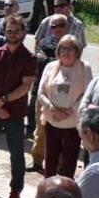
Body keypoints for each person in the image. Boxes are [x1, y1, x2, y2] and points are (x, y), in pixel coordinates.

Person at [0, 15, 36, 198]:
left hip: (15, 113)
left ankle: (15, 189)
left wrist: (3, 102)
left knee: (17, 153)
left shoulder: (29, 58)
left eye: (16, 31)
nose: (12, 34)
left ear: (23, 32)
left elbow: (26, 86)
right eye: (9, 31)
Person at [36, 35, 92, 178]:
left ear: (77, 51)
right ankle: (48, 189)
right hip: (52, 119)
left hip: (73, 123)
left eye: (70, 48)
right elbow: (40, 93)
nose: (66, 52)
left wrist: (70, 110)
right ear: (58, 50)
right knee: (50, 159)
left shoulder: (84, 68)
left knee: (69, 161)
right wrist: (53, 108)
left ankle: (65, 192)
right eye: (63, 48)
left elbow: (88, 94)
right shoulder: (50, 66)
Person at [27, 12, 72, 154]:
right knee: (40, 128)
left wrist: (49, 60)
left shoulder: (73, 45)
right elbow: (38, 62)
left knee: (61, 131)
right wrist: (57, 61)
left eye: (61, 25)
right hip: (43, 90)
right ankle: (37, 160)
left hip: (65, 93)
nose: (58, 28)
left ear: (67, 26)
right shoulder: (44, 42)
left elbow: (70, 65)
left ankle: (58, 164)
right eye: (54, 25)